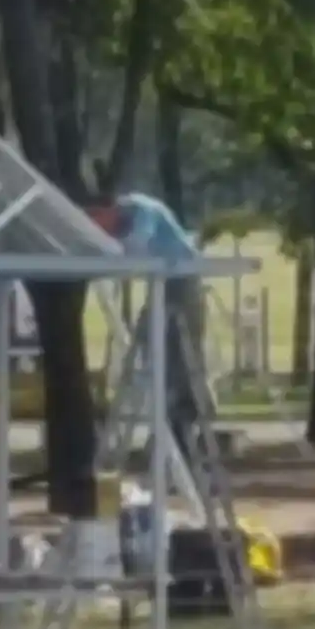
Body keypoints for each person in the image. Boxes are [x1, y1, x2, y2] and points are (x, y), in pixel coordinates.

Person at [87, 192, 207, 452]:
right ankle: (168, 414)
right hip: (161, 282)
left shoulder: (142, 210)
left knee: (182, 349)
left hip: (183, 277)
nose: (100, 228)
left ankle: (189, 411)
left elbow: (139, 245)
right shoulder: (119, 223)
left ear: (108, 209)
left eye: (97, 219)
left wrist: (112, 255)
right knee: (153, 342)